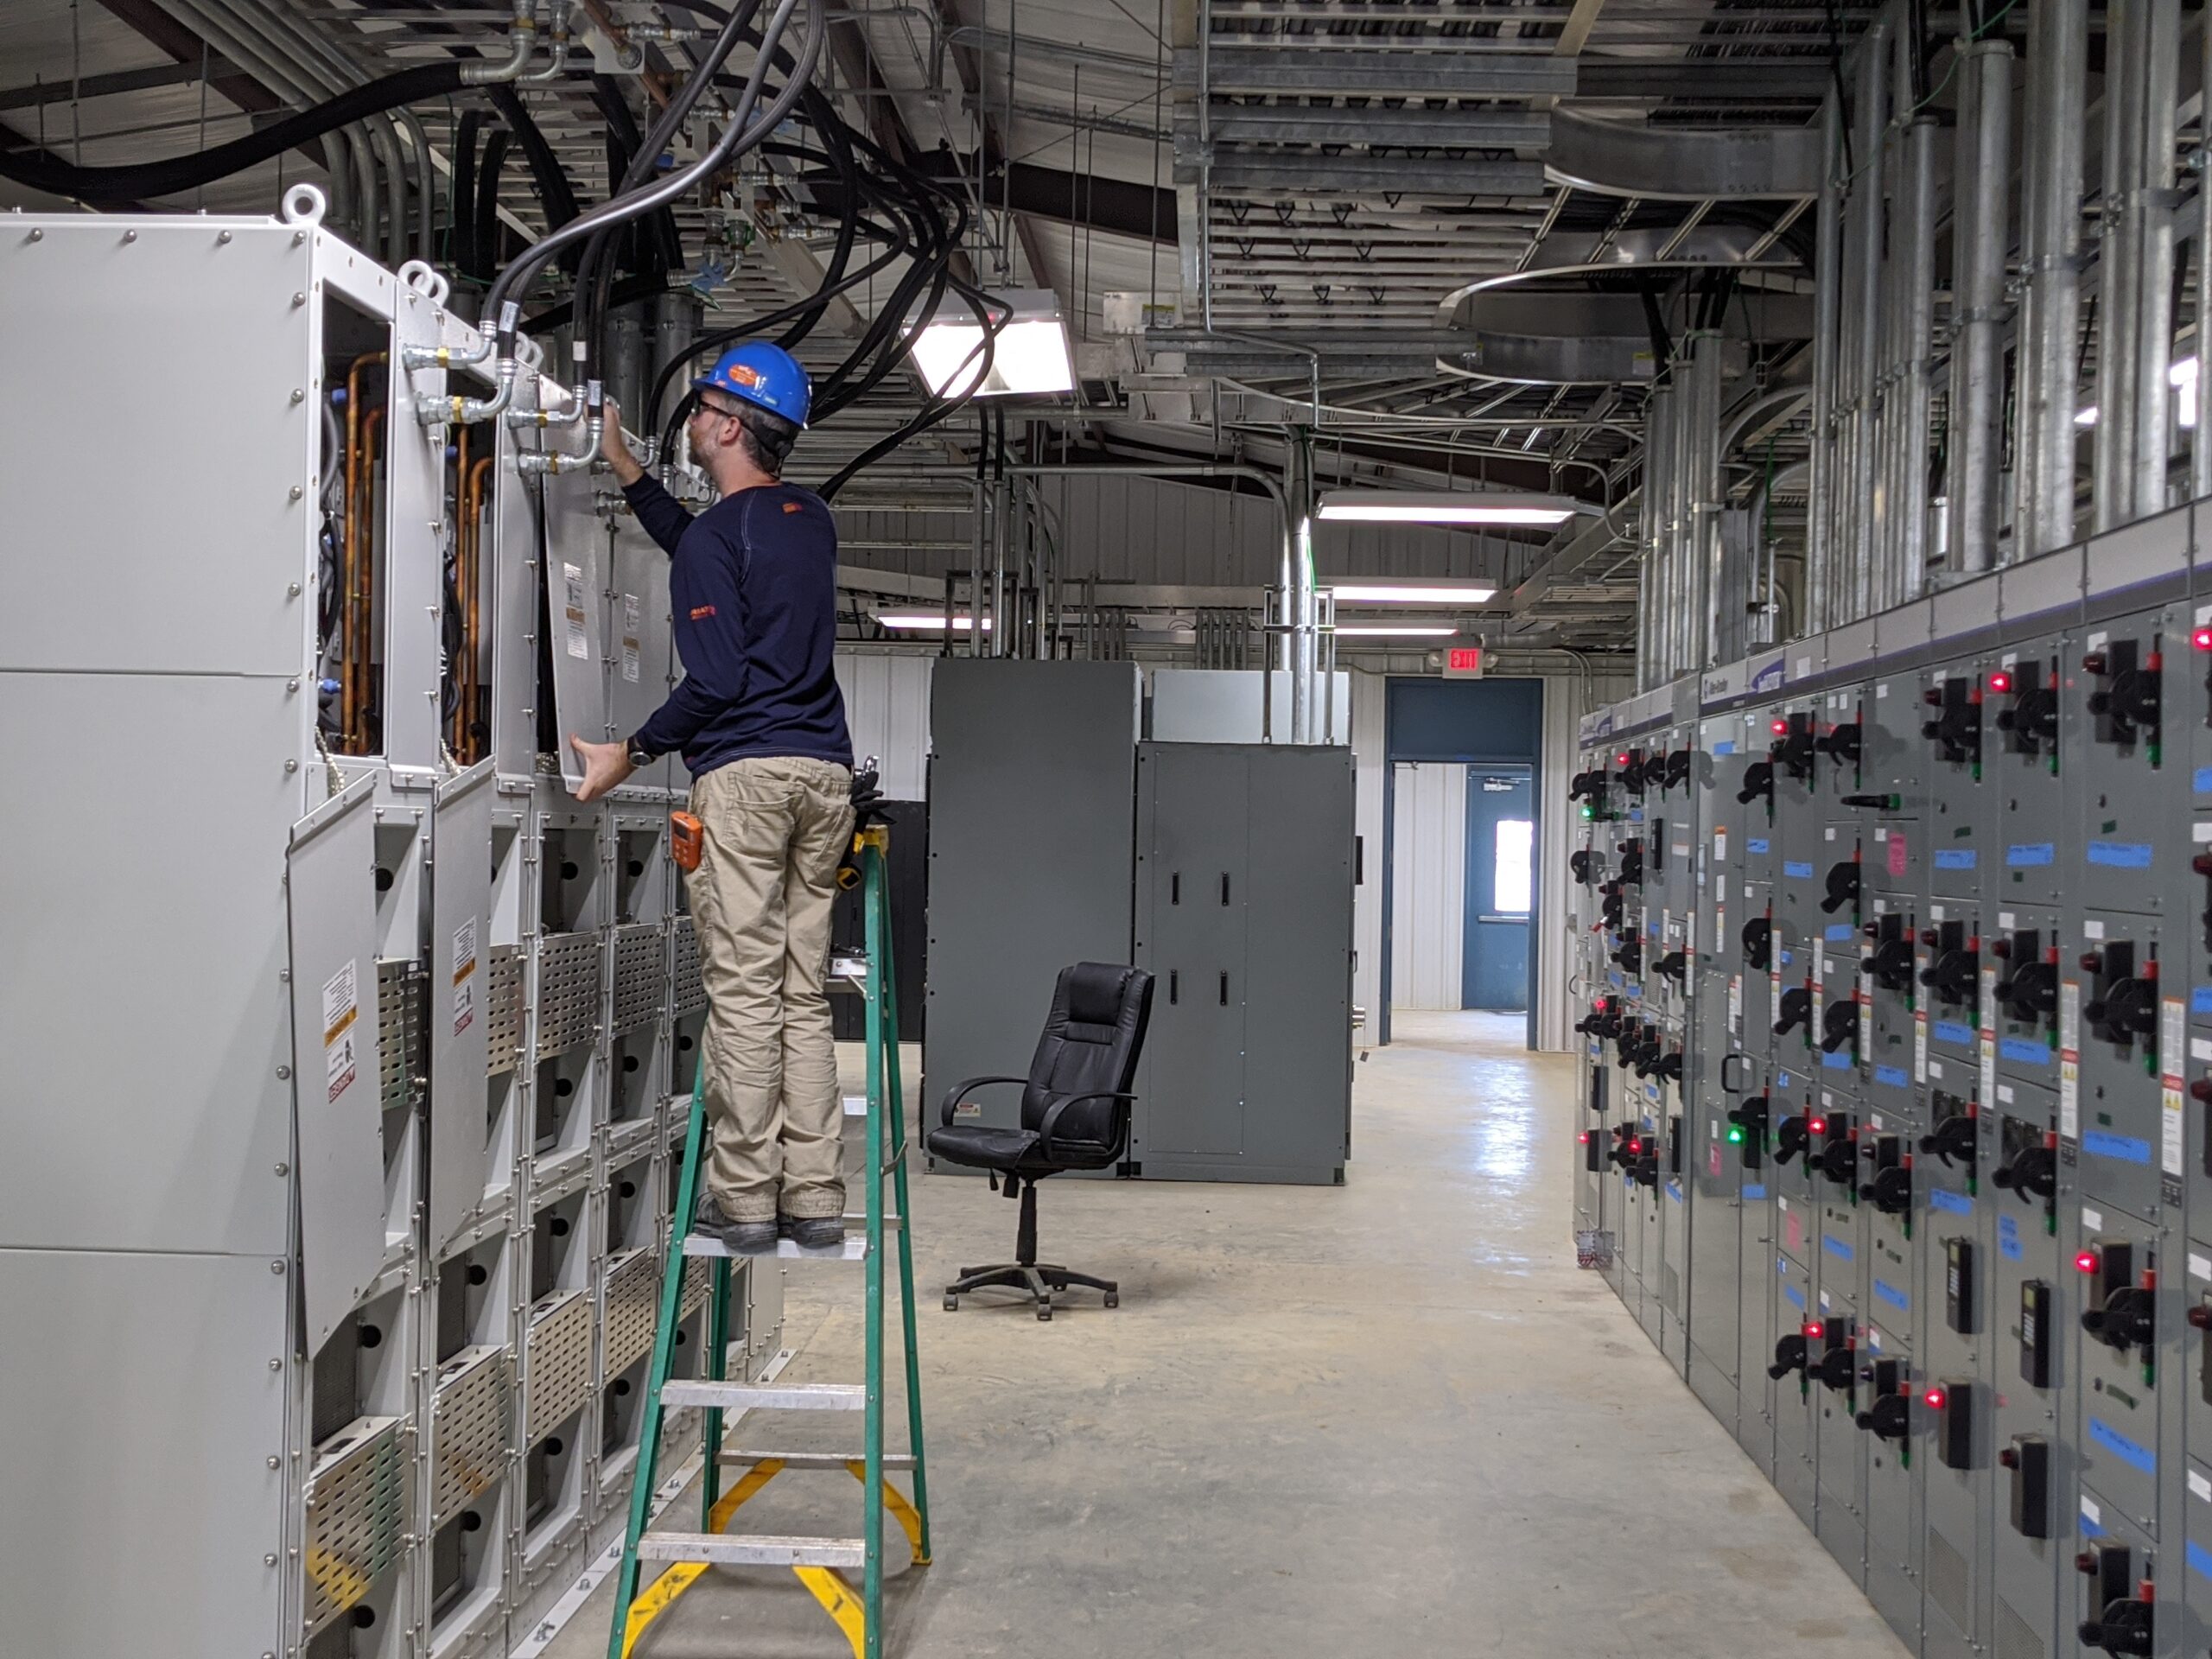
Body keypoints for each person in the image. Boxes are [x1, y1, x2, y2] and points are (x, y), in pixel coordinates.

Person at [571, 342, 854, 1255]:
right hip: (824, 776)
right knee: (800, 994)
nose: (691, 422)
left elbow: (720, 678)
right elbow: (709, 543)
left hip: (749, 780)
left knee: (743, 995)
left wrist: (633, 750)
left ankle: (745, 1204)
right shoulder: (808, 521)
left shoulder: (711, 539)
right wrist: (628, 473)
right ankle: (814, 1196)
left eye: (700, 411)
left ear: (729, 425)